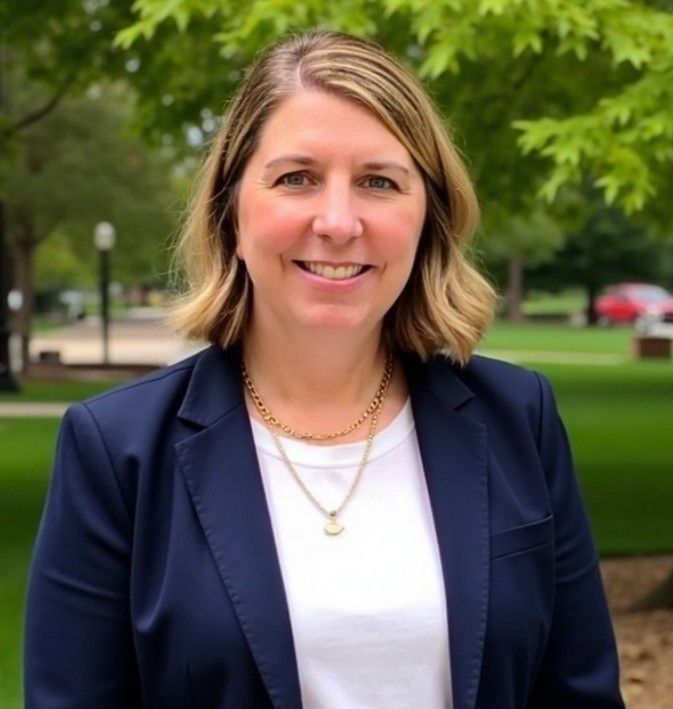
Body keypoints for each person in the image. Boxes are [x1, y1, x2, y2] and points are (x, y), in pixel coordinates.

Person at [24, 30, 624, 709]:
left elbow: (579, 694)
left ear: (426, 215)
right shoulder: (115, 450)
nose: (338, 221)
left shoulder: (518, 417)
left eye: (377, 181)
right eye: (296, 178)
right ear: (230, 214)